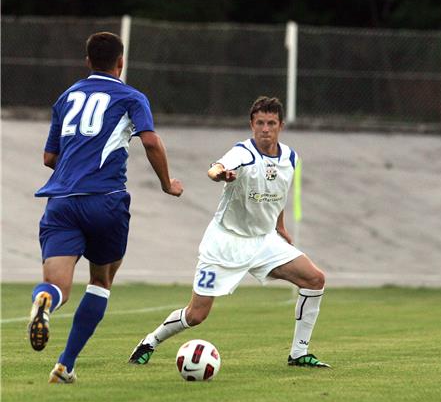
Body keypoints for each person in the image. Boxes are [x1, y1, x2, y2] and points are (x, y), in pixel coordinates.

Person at [129, 96, 330, 368]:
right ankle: (150, 341)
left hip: (263, 241)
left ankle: (299, 353)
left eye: (271, 123)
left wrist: (280, 227)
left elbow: (278, 193)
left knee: (315, 279)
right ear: (251, 124)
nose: (265, 129)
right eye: (260, 123)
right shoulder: (242, 153)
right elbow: (215, 168)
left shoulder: (291, 158)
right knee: (197, 314)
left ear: (281, 125)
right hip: (224, 243)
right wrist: (221, 173)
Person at [28, 32, 183, 384]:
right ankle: (65, 364)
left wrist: (76, 168)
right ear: (121, 62)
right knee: (101, 280)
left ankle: (44, 304)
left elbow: (50, 157)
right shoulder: (131, 97)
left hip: (61, 202)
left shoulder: (67, 97)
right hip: (105, 201)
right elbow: (150, 141)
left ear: (87, 62)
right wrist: (166, 183)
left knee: (57, 286)